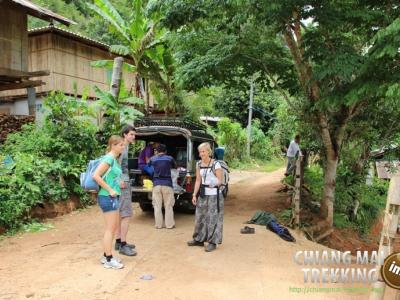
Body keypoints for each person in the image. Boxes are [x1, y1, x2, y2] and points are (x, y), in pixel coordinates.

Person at [93, 135, 125, 269]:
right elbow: (95, 175)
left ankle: (106, 254)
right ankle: (109, 259)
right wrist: (111, 190)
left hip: (112, 196)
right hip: (107, 197)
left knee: (113, 227)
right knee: (110, 229)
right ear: (113, 145)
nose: (123, 147)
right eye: (121, 145)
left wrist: (118, 183)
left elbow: (111, 177)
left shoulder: (114, 160)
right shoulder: (109, 158)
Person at [187, 142, 224, 252]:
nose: (202, 153)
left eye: (204, 151)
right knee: (200, 216)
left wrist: (215, 183)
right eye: (200, 152)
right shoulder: (198, 164)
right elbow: (198, 180)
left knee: (212, 218)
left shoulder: (216, 164)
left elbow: (220, 181)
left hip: (214, 194)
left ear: (209, 152)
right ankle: (199, 239)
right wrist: (194, 194)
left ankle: (212, 242)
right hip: (203, 194)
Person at [114, 125, 137, 256]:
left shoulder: (124, 146)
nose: (133, 137)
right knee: (126, 214)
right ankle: (123, 245)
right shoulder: (122, 147)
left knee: (120, 213)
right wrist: (119, 180)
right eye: (131, 134)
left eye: (134, 135)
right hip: (123, 183)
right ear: (125, 135)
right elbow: (115, 163)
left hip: (122, 182)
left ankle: (119, 241)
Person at [148, 144, 177, 229]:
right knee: (168, 205)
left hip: (156, 184)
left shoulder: (153, 158)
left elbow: (148, 166)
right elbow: (175, 167)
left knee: (157, 205)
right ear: (165, 151)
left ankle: (158, 225)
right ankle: (169, 225)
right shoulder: (170, 158)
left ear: (156, 151)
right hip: (167, 184)